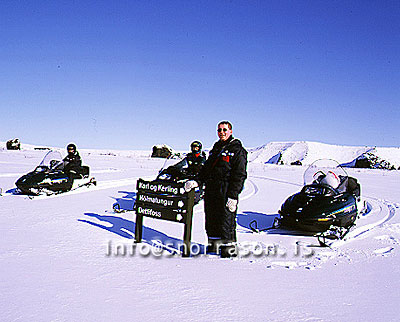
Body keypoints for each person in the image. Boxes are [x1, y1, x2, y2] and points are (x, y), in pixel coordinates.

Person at [185, 121, 248, 258]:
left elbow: (239, 175)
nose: (222, 132)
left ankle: (228, 254)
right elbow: (207, 169)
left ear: (230, 131)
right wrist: (197, 181)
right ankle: (213, 248)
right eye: (219, 130)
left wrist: (233, 196)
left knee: (226, 221)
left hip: (226, 190)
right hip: (211, 189)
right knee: (211, 220)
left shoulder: (237, 150)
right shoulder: (216, 148)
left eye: (225, 130)